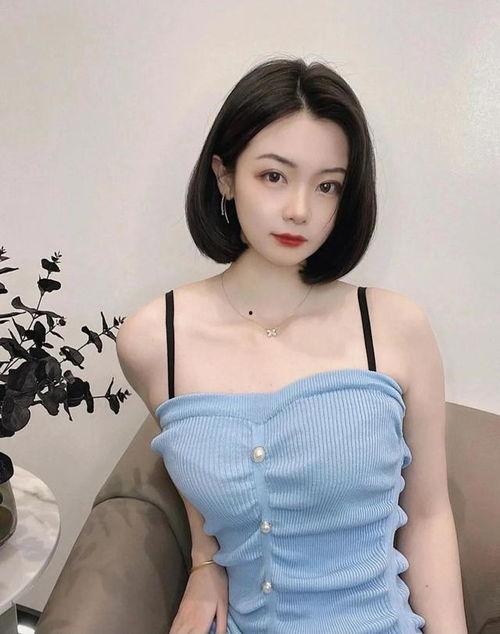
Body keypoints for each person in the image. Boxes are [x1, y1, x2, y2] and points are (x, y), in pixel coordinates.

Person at [116, 57, 467, 634]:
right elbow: (199, 458)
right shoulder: (156, 339)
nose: (300, 210)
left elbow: (428, 516)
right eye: (274, 176)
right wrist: (205, 562)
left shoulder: (393, 327)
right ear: (224, 176)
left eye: (327, 185)